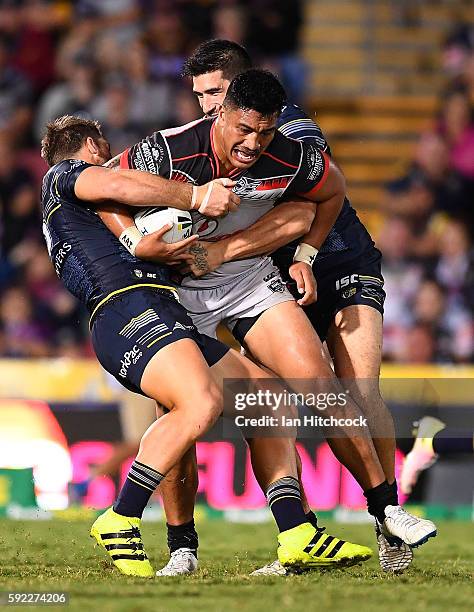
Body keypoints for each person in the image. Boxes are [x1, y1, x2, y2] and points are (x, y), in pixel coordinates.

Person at [99, 67, 437, 577]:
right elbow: (105, 189)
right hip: (178, 291)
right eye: (244, 128)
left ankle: (385, 509)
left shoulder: (290, 151)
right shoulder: (168, 149)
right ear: (221, 113)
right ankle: (182, 547)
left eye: (265, 130)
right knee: (178, 414)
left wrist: (305, 253)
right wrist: (135, 241)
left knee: (321, 384)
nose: (254, 143)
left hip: (250, 279)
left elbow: (332, 190)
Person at [40, 114, 372, 578]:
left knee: (268, 397)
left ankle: (296, 532)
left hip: (157, 310)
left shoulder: (87, 210)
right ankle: (122, 515)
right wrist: (195, 196)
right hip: (127, 309)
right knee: (200, 401)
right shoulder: (65, 176)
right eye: (106, 150)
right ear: (92, 147)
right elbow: (113, 183)